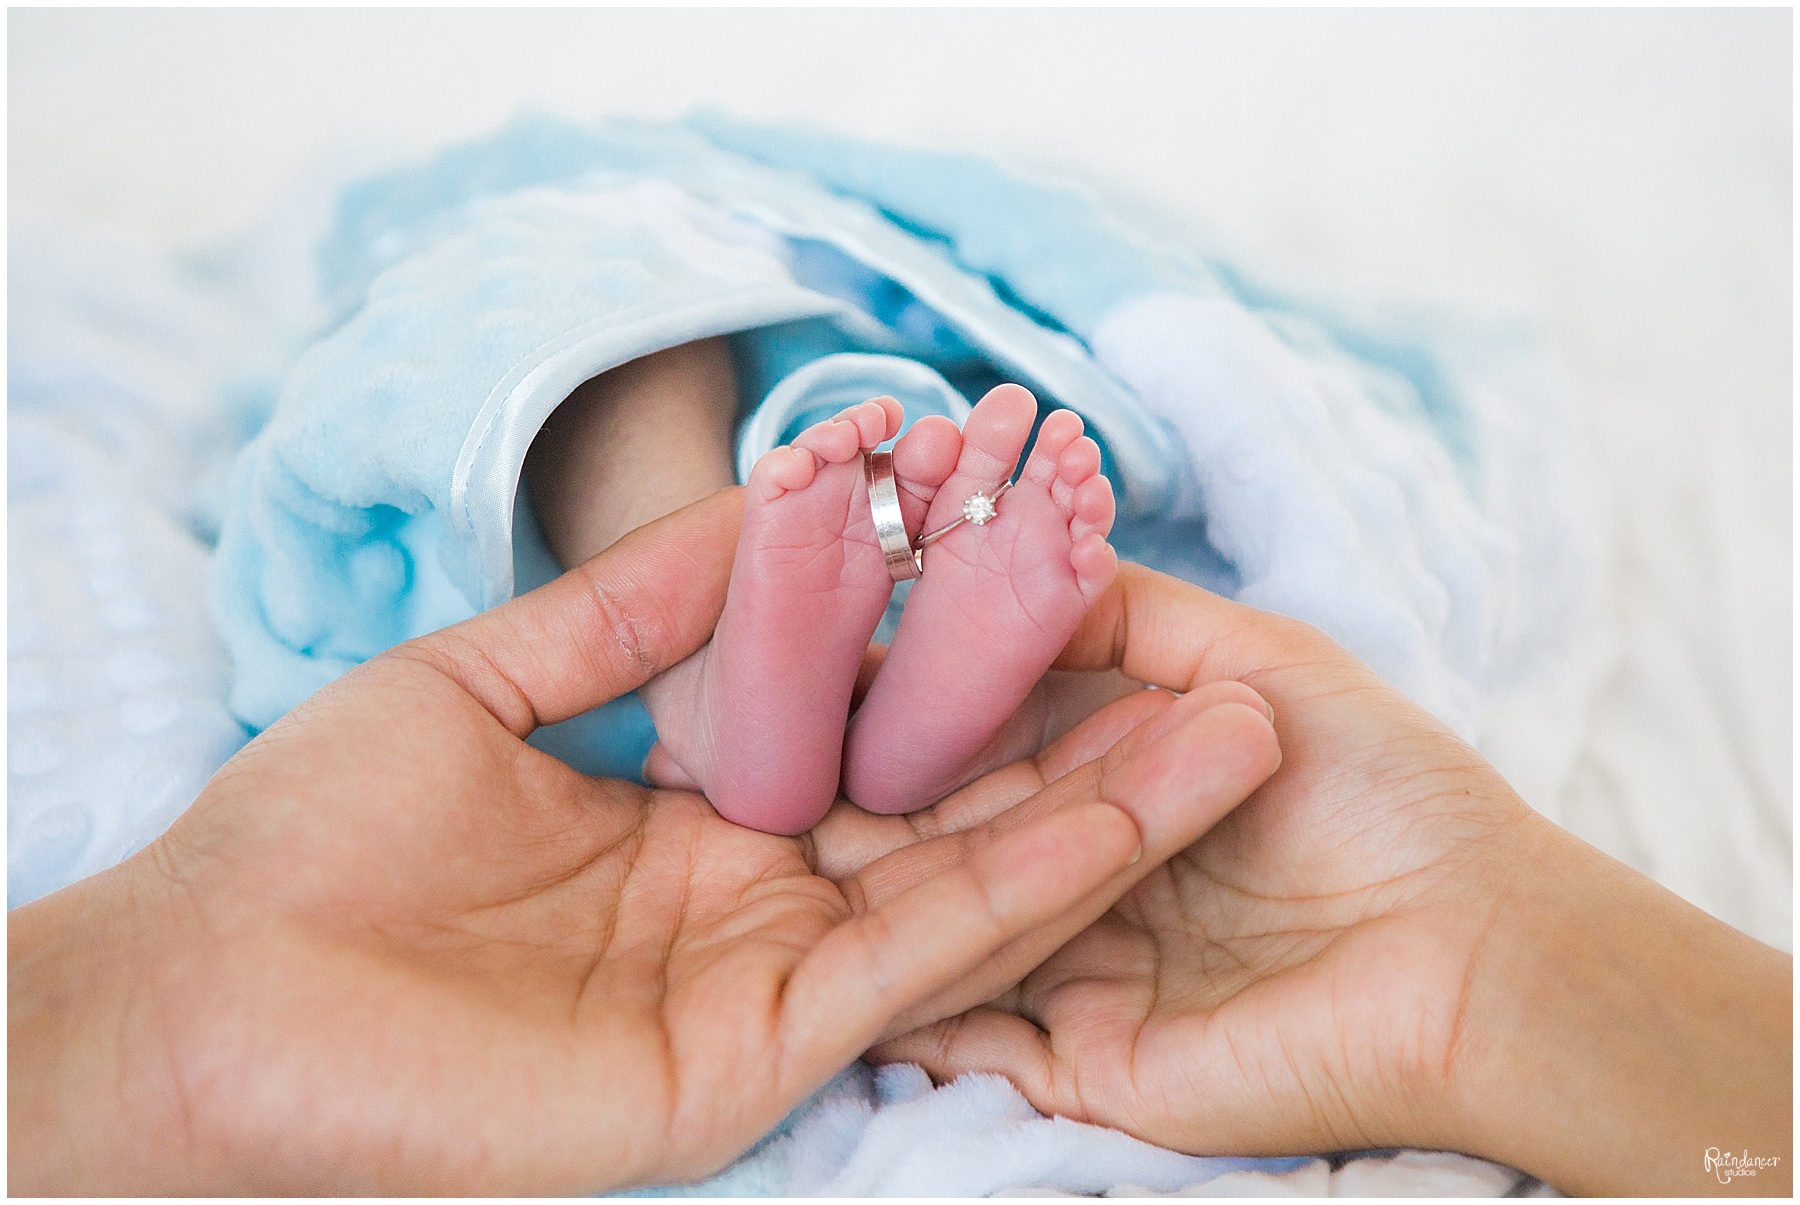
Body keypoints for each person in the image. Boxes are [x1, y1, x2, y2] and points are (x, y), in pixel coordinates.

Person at [11, 487, 1790, 1195]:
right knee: (660, 360)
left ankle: (748, 623)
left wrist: (132, 1013)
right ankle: (794, 631)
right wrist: (1492, 968)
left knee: (578, 337)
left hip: (647, 563)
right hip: (960, 480)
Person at [524, 343, 1126, 835]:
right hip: (905, 384)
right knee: (1121, 654)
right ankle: (1008, 729)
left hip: (767, 467)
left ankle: (704, 679)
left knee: (609, 363)